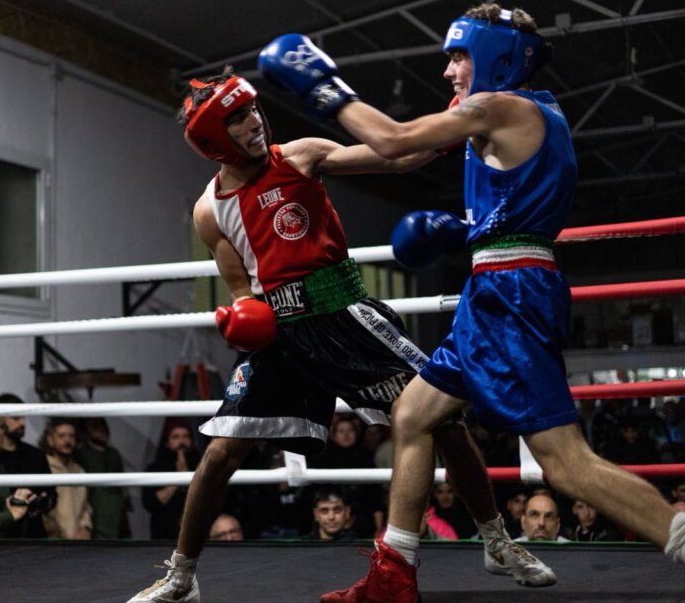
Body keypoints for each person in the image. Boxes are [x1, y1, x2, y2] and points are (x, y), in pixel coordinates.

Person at [257, 3, 685, 601]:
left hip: (513, 291)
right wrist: (306, 162)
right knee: (414, 415)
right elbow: (402, 155)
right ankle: (393, 575)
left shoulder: (501, 106)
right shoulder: (500, 113)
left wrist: (321, 85)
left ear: (497, 56)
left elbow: (393, 137)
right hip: (497, 286)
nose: (450, 71)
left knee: (565, 464)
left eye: (458, 56)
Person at [127, 69, 554, 603]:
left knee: (444, 420)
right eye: (236, 119)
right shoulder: (209, 211)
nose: (254, 122)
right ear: (214, 139)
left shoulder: (299, 156)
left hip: (345, 317)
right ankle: (180, 577)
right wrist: (242, 318)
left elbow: (394, 158)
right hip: (282, 336)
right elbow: (242, 288)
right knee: (219, 453)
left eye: (252, 110)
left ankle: (496, 541)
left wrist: (458, 125)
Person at [0, 393, 57, 538]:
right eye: (16, 418)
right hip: (2, 534)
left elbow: (52, 492)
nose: (22, 423)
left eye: (24, 417)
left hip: (34, 532)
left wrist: (42, 502)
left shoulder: (35, 455)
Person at [142, 419, 202, 540]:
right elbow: (151, 503)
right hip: (164, 536)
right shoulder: (155, 468)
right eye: (175, 437)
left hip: (197, 535)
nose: (182, 441)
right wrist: (179, 478)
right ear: (167, 443)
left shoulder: (202, 465)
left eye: (186, 436)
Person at [75, 417, 131, 539]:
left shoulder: (113, 454)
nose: (102, 430)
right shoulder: (81, 455)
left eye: (103, 425)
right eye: (95, 426)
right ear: (85, 431)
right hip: (95, 516)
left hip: (117, 516)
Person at [41, 419, 92, 540]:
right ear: (50, 440)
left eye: (71, 436)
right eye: (61, 436)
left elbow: (85, 507)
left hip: (77, 542)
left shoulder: (79, 471)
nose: (67, 440)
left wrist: (86, 528)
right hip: (50, 541)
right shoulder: (43, 467)